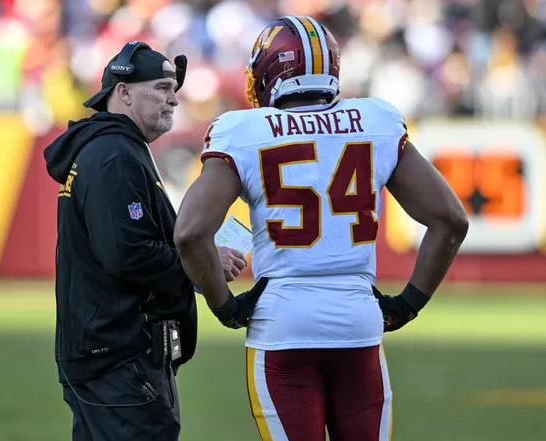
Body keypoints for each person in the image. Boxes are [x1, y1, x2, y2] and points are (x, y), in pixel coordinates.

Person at [174, 16, 469, 441]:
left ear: (271, 71)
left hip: (282, 323)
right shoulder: (375, 120)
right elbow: (450, 220)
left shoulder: (243, 131)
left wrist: (226, 307)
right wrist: (408, 303)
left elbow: (189, 233)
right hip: (359, 321)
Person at [43, 41, 254, 441]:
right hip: (120, 358)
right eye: (161, 87)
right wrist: (200, 263)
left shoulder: (112, 148)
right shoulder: (113, 155)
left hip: (107, 355)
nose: (174, 99)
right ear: (122, 92)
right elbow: (129, 255)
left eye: (173, 88)